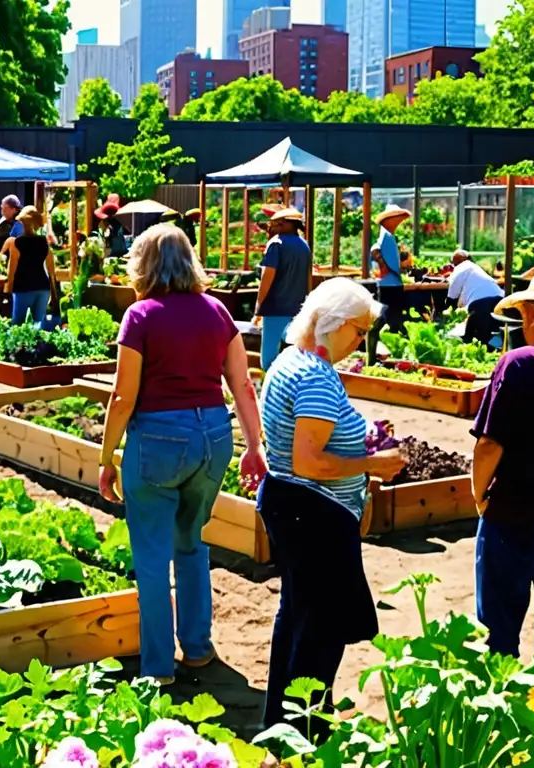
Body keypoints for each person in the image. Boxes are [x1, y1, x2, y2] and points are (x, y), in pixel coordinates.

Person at [97, 226, 266, 685]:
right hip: (212, 436)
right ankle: (197, 648)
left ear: (142, 265)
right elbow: (244, 384)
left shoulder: (140, 315)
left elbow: (122, 396)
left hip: (157, 439)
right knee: (191, 543)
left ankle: (157, 668)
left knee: (151, 556)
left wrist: (106, 455)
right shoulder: (218, 312)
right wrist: (254, 446)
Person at [257, 278, 405, 735]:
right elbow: (309, 461)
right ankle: (304, 736)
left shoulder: (289, 360)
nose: (363, 340)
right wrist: (373, 464)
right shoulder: (315, 377)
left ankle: (282, 728)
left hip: (293, 506)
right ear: (333, 325)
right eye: (360, 331)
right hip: (313, 514)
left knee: (299, 617)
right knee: (320, 631)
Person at [471, 269, 534, 661]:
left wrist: (479, 495)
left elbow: (489, 445)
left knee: (497, 625)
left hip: (518, 510)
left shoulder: (520, 364)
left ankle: (498, 708)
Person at [253, 208, 311, 371]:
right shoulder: (304, 246)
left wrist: (258, 307)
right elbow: (308, 279)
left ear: (286, 224)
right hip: (297, 307)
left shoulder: (276, 244)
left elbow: (267, 278)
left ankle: (271, 390)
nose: (273, 227)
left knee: (268, 360)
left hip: (275, 307)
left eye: (276, 224)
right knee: (295, 351)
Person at [367, 205, 410, 360]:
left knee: (392, 318)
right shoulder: (387, 237)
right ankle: (375, 350)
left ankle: (380, 353)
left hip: (387, 284)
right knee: (389, 317)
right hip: (391, 285)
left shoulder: (385, 237)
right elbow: (385, 259)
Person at [4, 206, 57, 328]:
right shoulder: (43, 242)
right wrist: (53, 288)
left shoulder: (17, 243)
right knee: (39, 325)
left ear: (22, 223)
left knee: (17, 326)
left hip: (23, 287)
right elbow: (51, 268)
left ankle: (19, 347)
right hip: (42, 287)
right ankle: (40, 347)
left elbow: (12, 269)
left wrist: (7, 287)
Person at [447, 249, 503, 345]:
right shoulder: (476, 269)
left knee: (478, 338)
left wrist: (447, 310)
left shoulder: (459, 269)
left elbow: (452, 295)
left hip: (481, 305)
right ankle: (495, 350)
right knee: (492, 333)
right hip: (500, 300)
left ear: (454, 263)